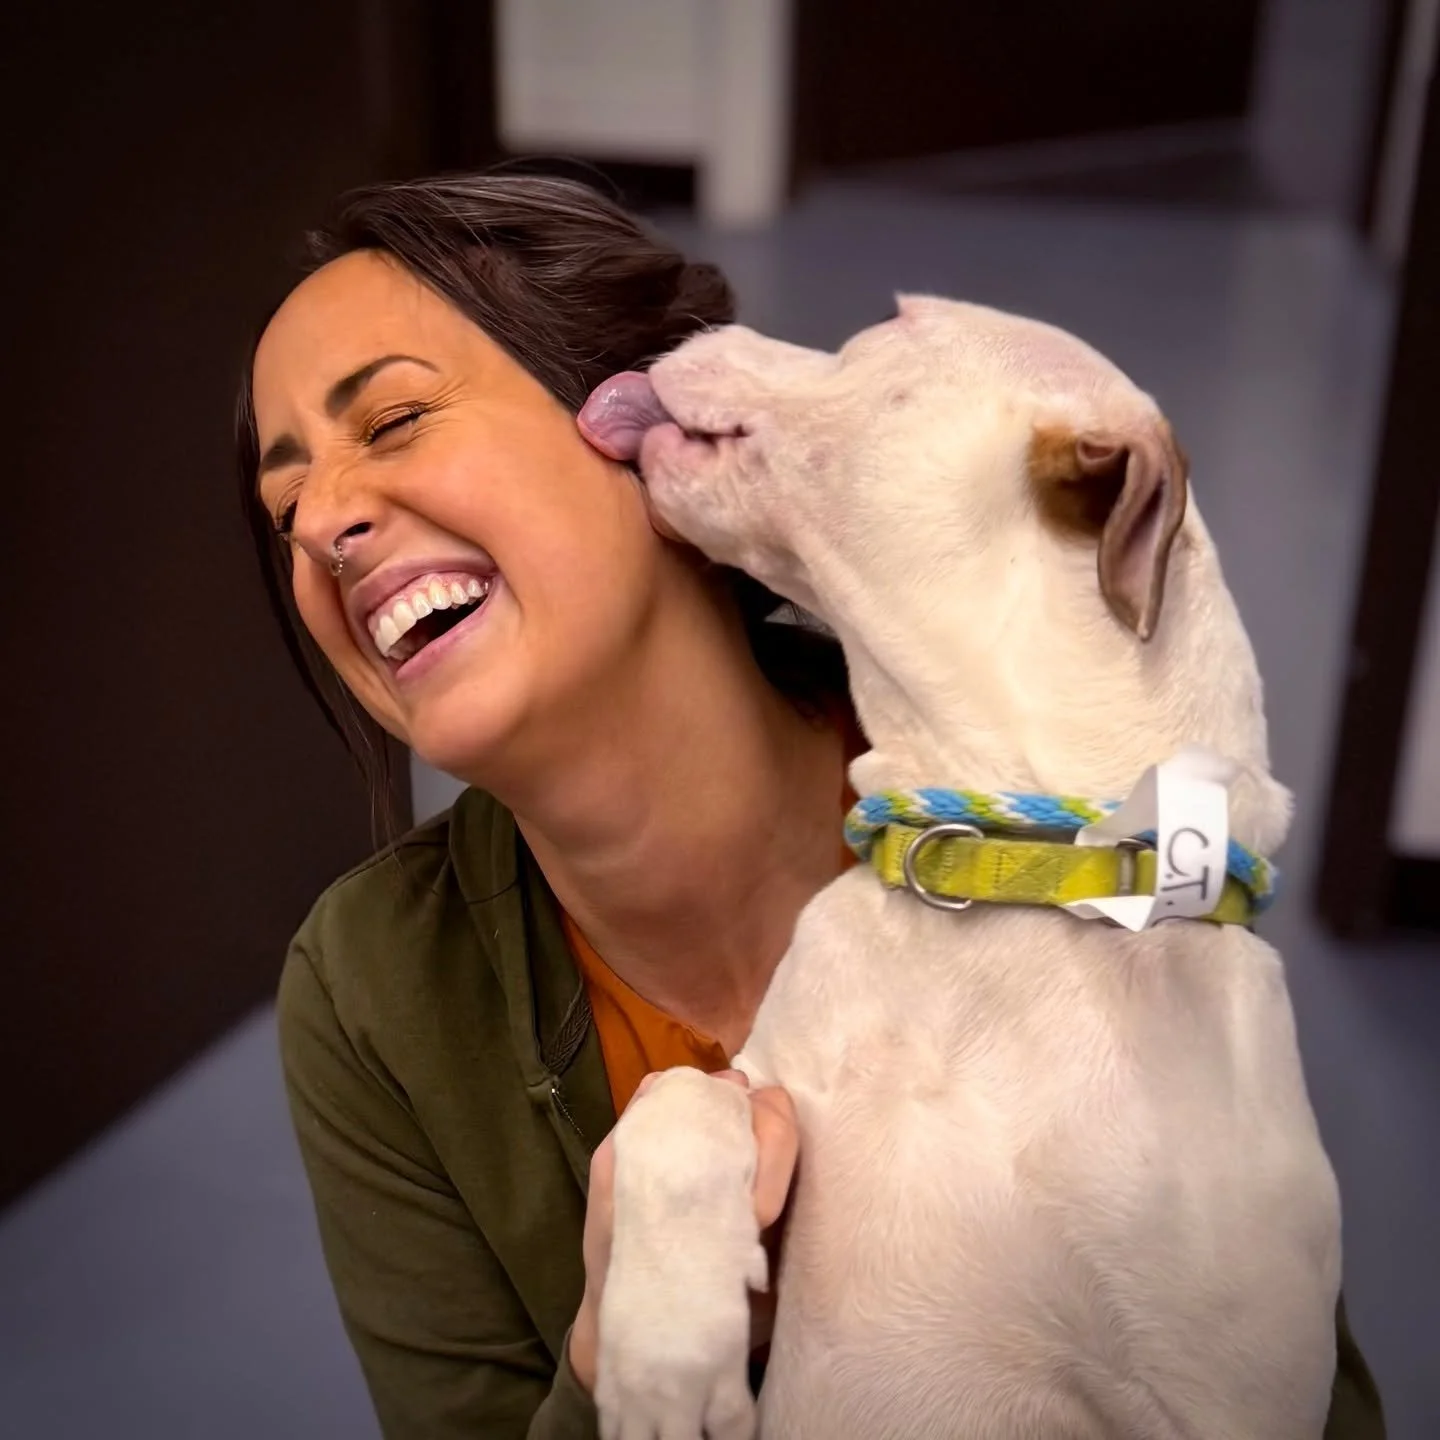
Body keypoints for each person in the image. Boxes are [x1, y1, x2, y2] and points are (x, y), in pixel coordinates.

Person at [241, 172, 1385, 1439]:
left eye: (393, 420)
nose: (323, 526)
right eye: (284, 506)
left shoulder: (1069, 831)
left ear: (629, 412)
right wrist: (613, 1346)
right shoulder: (368, 992)